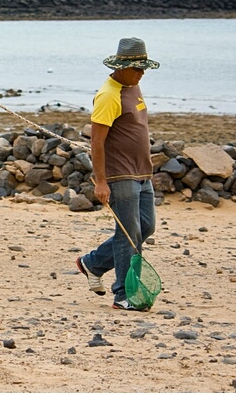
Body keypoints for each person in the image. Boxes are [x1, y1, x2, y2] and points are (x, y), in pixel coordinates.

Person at [76, 37, 159, 311]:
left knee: (145, 228)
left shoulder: (133, 85)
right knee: (128, 234)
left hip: (142, 172)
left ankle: (93, 263)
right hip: (120, 175)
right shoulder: (108, 95)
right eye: (138, 68)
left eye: (144, 67)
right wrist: (101, 181)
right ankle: (124, 294)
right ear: (121, 66)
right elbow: (97, 142)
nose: (143, 72)